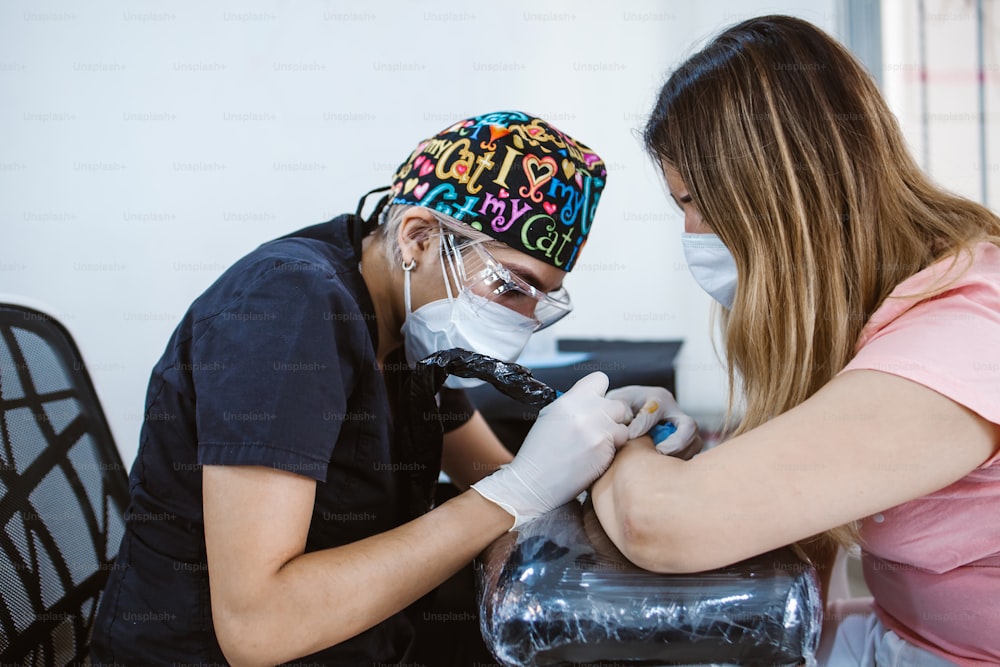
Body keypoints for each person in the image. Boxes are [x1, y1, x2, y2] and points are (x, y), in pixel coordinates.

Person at [90, 110, 681, 666]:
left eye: (540, 301)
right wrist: (517, 490)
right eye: (510, 286)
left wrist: (604, 429)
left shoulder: (409, 328)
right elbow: (257, 626)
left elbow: (490, 470)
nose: (524, 319)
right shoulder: (288, 311)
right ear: (418, 237)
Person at [589, 16, 1000, 667]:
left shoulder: (962, 337)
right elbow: (810, 525)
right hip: (914, 635)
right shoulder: (888, 314)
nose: (691, 233)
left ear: (772, 191)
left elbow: (661, 523)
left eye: (693, 201)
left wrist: (613, 443)